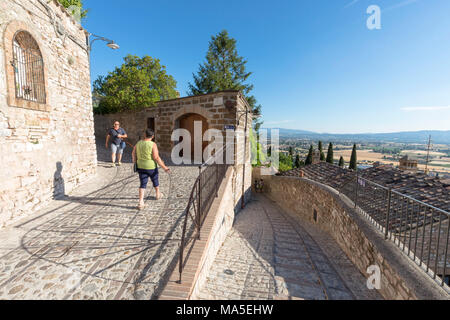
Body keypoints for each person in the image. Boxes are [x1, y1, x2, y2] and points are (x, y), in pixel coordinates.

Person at [132, 129, 170, 210]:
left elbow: (133, 153)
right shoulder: (153, 144)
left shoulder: (138, 143)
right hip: (151, 167)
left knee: (143, 183)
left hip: (140, 166)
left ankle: (141, 202)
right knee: (155, 179)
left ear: (144, 135)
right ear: (152, 136)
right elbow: (156, 157)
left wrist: (135, 162)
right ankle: (157, 194)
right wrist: (165, 167)